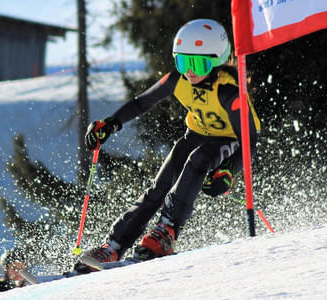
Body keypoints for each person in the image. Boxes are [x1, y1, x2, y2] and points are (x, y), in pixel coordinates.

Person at [75, 19, 260, 272]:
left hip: (229, 140)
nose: (189, 72)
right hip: (195, 134)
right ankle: (114, 246)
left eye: (197, 63)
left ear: (216, 61)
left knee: (199, 159)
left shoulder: (229, 93)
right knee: (158, 188)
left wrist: (228, 169)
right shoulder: (178, 80)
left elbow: (250, 143)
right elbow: (142, 102)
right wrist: (111, 123)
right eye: (183, 62)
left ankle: (167, 230)